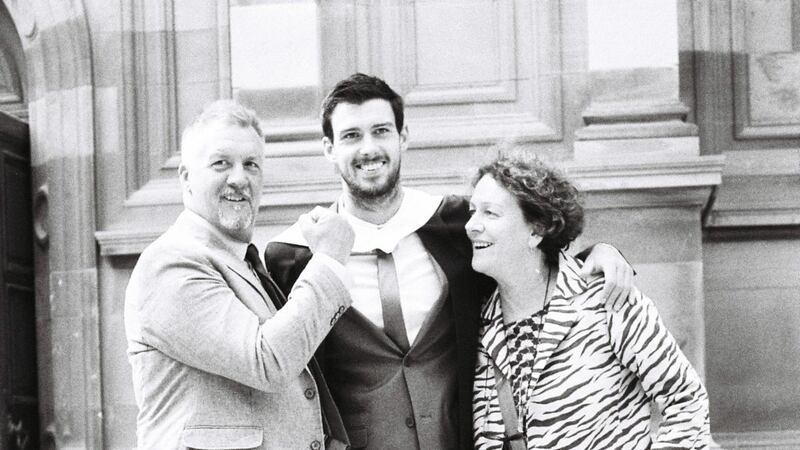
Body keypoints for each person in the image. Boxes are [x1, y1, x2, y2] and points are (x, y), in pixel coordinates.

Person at [264, 73, 634, 450]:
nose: (368, 148)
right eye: (351, 136)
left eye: (381, 131)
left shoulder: (456, 224)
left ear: (403, 137)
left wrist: (599, 253)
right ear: (328, 148)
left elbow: (530, 264)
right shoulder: (294, 257)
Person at [124, 100, 356, 449]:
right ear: (186, 178)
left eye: (251, 165)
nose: (239, 178)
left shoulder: (244, 263)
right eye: (221, 163)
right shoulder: (169, 263)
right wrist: (329, 263)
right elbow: (267, 360)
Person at [467, 155, 710, 449]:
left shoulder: (607, 301)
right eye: (471, 211)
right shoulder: (476, 321)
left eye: (490, 213)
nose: (470, 225)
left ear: (537, 229)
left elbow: (686, 401)